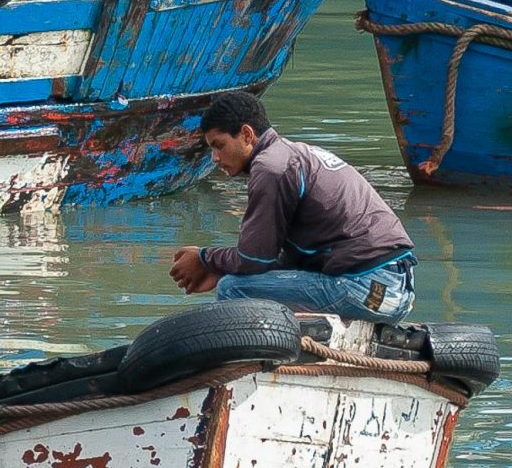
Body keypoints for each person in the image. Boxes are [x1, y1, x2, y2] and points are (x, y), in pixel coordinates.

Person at [170, 91, 417, 320]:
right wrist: (223, 267)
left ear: (247, 134)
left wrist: (204, 258)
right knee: (235, 279)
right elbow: (280, 259)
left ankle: (257, 364)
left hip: (366, 287)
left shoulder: (271, 168)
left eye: (219, 145)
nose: (215, 158)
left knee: (233, 289)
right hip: (394, 287)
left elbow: (254, 259)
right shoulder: (294, 155)